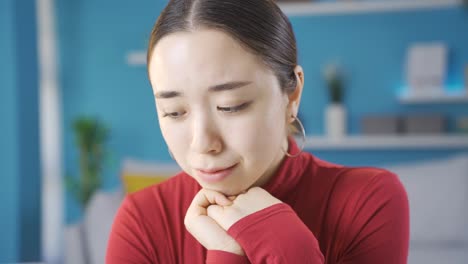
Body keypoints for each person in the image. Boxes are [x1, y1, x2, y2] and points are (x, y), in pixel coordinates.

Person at [106, 0, 409, 263]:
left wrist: (288, 246)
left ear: (292, 95)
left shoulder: (368, 200)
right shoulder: (143, 218)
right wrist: (226, 252)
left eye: (230, 105)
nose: (203, 144)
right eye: (174, 112)